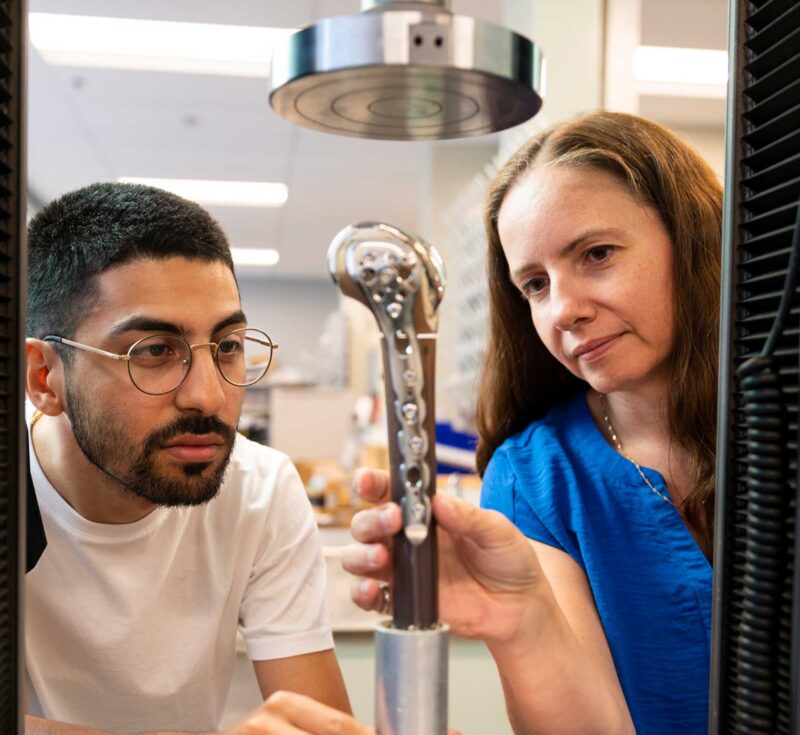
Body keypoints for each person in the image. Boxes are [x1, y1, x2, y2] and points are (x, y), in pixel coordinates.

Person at [250, 110, 722, 735]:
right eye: (535, 284)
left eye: (597, 254)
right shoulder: (535, 477)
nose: (565, 310)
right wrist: (524, 618)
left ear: (692, 240)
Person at [23, 182, 351, 734]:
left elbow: (317, 724)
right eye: (153, 352)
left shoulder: (260, 489)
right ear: (44, 377)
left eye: (227, 347)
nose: (208, 395)